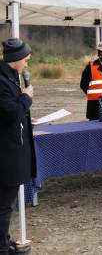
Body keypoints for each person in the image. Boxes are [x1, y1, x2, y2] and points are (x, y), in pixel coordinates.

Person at [0, 38, 35, 255]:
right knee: (4, 205)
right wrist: (26, 98)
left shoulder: (11, 77)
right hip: (5, 153)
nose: (28, 61)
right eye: (26, 58)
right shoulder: (2, 81)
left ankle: (4, 241)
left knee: (5, 203)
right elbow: (12, 113)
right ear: (15, 60)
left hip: (10, 148)